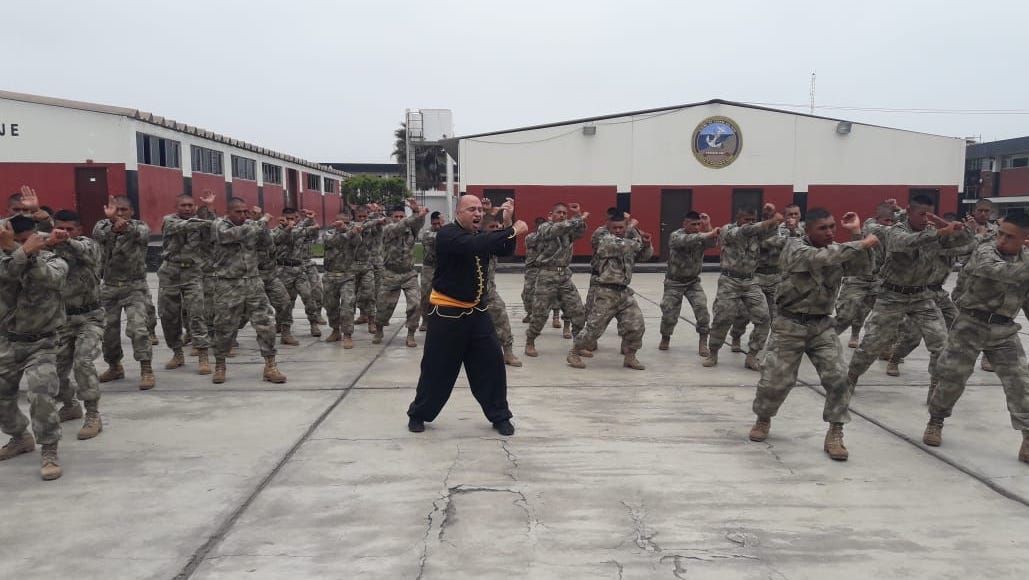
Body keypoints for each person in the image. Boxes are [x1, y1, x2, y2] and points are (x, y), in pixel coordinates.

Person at [748, 209, 878, 461]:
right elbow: (820, 258)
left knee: (839, 378)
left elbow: (863, 267)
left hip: (821, 325)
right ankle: (763, 418)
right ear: (808, 230)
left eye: (832, 226)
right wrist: (861, 243)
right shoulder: (794, 247)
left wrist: (856, 233)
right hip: (790, 324)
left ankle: (836, 432)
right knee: (775, 381)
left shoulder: (838, 249)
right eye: (823, 228)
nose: (829, 232)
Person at [407, 195, 527, 436]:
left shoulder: (479, 236)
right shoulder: (448, 234)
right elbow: (474, 245)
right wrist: (514, 229)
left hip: (477, 312)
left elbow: (505, 249)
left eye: (480, 210)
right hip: (447, 314)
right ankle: (419, 414)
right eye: (472, 209)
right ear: (458, 213)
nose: (478, 213)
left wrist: (507, 222)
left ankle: (500, 416)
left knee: (492, 366)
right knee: (437, 369)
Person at [923, 211, 1029, 464]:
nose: (1002, 240)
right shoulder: (985, 251)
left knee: (1020, 382)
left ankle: (1027, 436)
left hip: (1003, 330)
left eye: (1010, 237)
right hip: (970, 325)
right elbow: (996, 271)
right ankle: (936, 419)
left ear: (1025, 240)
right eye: (1001, 233)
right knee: (952, 378)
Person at [846, 195, 970, 395]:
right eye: (922, 214)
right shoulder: (896, 230)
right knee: (872, 345)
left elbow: (966, 243)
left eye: (929, 215)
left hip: (922, 296)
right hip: (892, 295)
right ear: (909, 212)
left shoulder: (933, 231)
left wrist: (944, 224)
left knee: (941, 344)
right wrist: (940, 232)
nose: (925, 219)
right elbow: (906, 242)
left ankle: (936, 389)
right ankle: (850, 378)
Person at [0, 215, 68, 480]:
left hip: (43, 341)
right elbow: (7, 273)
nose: (23, 246)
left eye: (27, 241)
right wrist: (15, 252)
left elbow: (48, 280)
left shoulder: (53, 260)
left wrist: (21, 252)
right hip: (8, 340)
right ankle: (19, 436)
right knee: (3, 396)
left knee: (41, 395)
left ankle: (49, 449)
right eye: (16, 241)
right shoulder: (5, 259)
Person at [209, 198, 287, 384]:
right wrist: (262, 221)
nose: (243, 215)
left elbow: (268, 245)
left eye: (245, 212)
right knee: (224, 327)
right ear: (228, 212)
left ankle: (270, 365)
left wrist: (263, 227)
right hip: (228, 283)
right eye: (238, 212)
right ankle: (220, 365)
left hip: (253, 281)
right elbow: (232, 235)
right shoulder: (219, 225)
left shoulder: (253, 225)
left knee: (266, 324)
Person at [567, 211, 653, 370]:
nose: (618, 230)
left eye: (621, 228)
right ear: (609, 227)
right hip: (607, 292)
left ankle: (630, 357)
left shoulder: (627, 241)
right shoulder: (606, 240)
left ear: (625, 227)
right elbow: (629, 246)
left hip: (624, 292)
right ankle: (574, 352)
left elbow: (643, 256)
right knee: (594, 328)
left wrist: (647, 244)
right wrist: (636, 236)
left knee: (636, 325)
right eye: (615, 228)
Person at [703, 205, 783, 370]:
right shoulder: (728, 230)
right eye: (747, 219)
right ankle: (713, 352)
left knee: (764, 318)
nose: (750, 223)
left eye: (753, 220)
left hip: (750, 281)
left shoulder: (756, 232)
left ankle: (752, 355)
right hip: (729, 281)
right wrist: (769, 221)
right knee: (723, 318)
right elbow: (746, 231)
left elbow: (771, 233)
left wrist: (771, 217)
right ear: (738, 219)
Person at [50, 210, 104, 440]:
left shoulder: (88, 245)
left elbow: (85, 251)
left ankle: (92, 414)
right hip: (60, 319)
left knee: (83, 362)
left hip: (89, 317)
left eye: (69, 229)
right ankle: (70, 404)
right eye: (60, 228)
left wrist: (66, 240)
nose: (64, 233)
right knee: (55, 368)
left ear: (79, 230)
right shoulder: (49, 249)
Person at [93, 195, 155, 390]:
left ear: (132, 211)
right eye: (116, 210)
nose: (119, 213)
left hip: (134, 286)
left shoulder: (140, 226)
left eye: (123, 210)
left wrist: (124, 226)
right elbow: (99, 236)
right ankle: (114, 366)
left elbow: (141, 234)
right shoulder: (102, 226)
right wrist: (113, 224)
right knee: (108, 331)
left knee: (138, 329)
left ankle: (146, 369)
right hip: (109, 286)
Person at [158, 192, 215, 375]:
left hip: (193, 272)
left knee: (197, 314)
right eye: (183, 205)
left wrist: (209, 209)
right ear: (176, 207)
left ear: (195, 207)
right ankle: (177, 353)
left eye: (190, 205)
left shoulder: (201, 222)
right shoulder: (169, 220)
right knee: (169, 315)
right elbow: (181, 227)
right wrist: (204, 220)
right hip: (170, 272)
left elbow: (214, 229)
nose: (187, 208)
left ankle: (203, 355)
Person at [524, 202, 588, 358]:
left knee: (578, 311)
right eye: (559, 212)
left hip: (564, 275)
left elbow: (580, 232)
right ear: (550, 215)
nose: (562, 215)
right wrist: (576, 219)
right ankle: (530, 341)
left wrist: (578, 215)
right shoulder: (545, 228)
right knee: (540, 313)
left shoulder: (568, 230)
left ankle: (578, 345)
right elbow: (555, 230)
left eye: (565, 213)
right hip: (547, 275)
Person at [834, 201, 896, 347]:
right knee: (845, 316)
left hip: (877, 279)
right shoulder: (871, 227)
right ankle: (821, 340)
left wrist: (899, 210)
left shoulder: (891, 232)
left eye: (891, 221)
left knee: (871, 313)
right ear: (877, 219)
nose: (889, 224)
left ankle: (859, 336)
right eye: (886, 220)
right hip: (857, 278)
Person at [659, 211, 719, 354]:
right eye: (693, 224)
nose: (697, 227)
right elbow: (687, 240)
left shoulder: (701, 235)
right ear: (685, 224)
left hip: (693, 282)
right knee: (669, 313)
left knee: (702, 310)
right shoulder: (676, 236)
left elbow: (712, 243)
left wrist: (708, 225)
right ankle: (666, 337)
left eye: (699, 224)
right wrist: (708, 233)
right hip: (674, 282)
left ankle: (703, 341)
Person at [374, 198, 427, 347]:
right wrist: (414, 216)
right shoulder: (388, 229)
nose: (398, 219)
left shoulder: (411, 230)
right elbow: (401, 226)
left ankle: (410, 334)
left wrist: (417, 211)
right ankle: (379, 329)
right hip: (391, 273)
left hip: (408, 274)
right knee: (384, 306)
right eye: (396, 216)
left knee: (415, 304)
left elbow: (419, 222)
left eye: (401, 216)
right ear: (391, 218)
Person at [272, 207, 322, 341]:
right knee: (285, 302)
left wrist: (312, 220)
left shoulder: (299, 230)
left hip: (299, 270)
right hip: (283, 270)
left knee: (308, 296)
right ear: (281, 218)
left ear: (296, 219)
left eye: (292, 219)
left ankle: (314, 323)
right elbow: (277, 239)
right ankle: (283, 326)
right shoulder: (276, 231)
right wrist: (289, 228)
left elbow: (315, 234)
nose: (290, 221)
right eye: (287, 219)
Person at [482, 213, 522, 367]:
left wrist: (508, 223)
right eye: (491, 227)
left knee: (501, 314)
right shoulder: (475, 241)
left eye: (496, 227)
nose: (495, 230)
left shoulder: (494, 243)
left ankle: (508, 352)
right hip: (467, 293)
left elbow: (508, 248)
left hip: (489, 292)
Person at [322, 211, 363, 348]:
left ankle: (347, 334)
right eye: (339, 221)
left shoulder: (353, 233)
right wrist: (346, 231)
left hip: (347, 276)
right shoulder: (328, 233)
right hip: (330, 276)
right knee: (331, 306)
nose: (342, 224)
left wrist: (348, 230)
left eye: (346, 222)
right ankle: (335, 330)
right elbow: (332, 242)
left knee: (347, 305)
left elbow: (358, 242)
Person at [418, 211, 443, 332]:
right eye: (434, 224)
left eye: (439, 223)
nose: (437, 226)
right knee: (425, 295)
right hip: (429, 267)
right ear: (431, 222)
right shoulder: (427, 232)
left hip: (443, 267)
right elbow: (431, 240)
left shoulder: (446, 231)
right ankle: (426, 320)